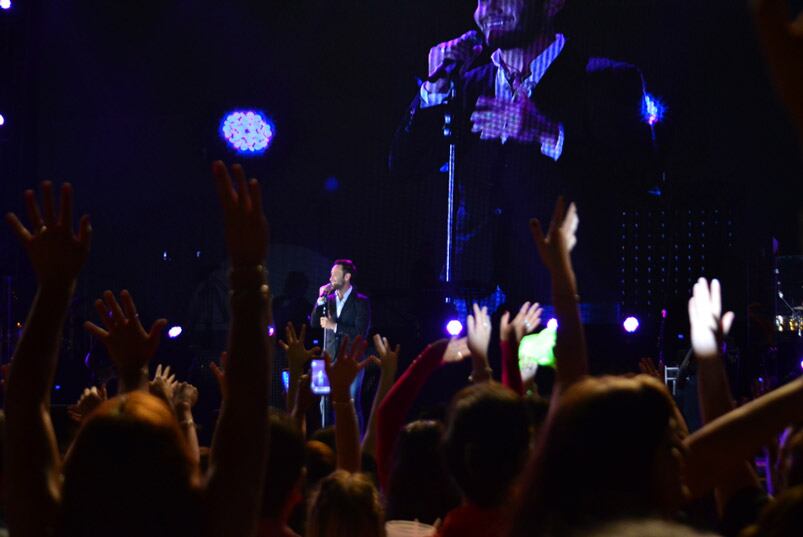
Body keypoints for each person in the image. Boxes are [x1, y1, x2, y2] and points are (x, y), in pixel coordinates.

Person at [390, 0, 655, 308]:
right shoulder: (465, 86)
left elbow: (641, 176)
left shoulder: (606, 79)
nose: (488, 9)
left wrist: (548, 133)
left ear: (552, 5)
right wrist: (434, 88)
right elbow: (406, 165)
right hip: (472, 297)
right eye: (481, 0)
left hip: (563, 297)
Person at [311, 259, 371, 428]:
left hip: (351, 358)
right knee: (323, 403)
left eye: (335, 275)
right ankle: (328, 440)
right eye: (331, 274)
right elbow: (315, 323)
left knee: (349, 402)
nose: (331, 278)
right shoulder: (328, 299)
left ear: (347, 277)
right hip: (328, 356)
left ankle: (355, 443)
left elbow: (360, 333)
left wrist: (334, 326)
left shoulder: (361, 301)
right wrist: (319, 300)